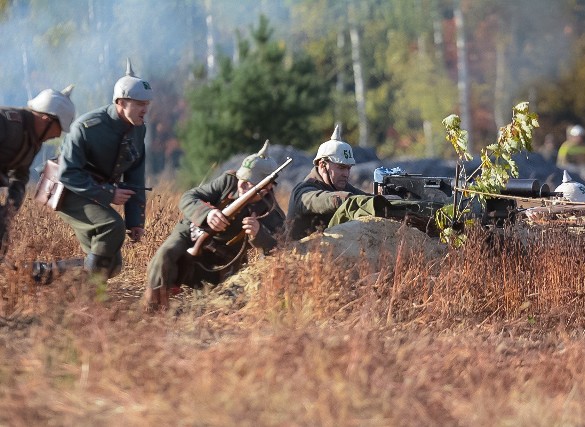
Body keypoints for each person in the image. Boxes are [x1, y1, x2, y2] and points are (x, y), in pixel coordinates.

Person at [144, 141, 286, 311]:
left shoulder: (271, 212)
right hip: (192, 234)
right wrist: (208, 214)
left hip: (223, 260)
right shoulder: (228, 181)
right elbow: (189, 197)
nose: (241, 184)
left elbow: (281, 249)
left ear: (267, 187)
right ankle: (152, 309)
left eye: (250, 182)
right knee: (165, 255)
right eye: (242, 178)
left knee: (220, 305)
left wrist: (259, 234)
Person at [56, 58, 153, 281]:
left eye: (148, 103)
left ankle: (39, 273)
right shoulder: (87, 127)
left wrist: (136, 221)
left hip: (94, 195)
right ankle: (90, 293)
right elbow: (68, 173)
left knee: (111, 265)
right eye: (140, 103)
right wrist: (109, 194)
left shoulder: (139, 130)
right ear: (120, 102)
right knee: (111, 225)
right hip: (69, 192)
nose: (145, 109)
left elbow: (135, 176)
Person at [0, 85, 75, 254]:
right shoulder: (6, 122)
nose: (58, 136)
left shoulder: (33, 140)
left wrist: (9, 210)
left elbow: (20, 175)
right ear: (46, 119)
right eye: (59, 129)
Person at [286, 125, 369, 240]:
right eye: (341, 167)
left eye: (348, 168)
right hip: (296, 256)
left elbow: (367, 199)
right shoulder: (303, 191)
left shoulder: (340, 186)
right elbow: (319, 200)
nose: (346, 173)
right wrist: (344, 199)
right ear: (322, 165)